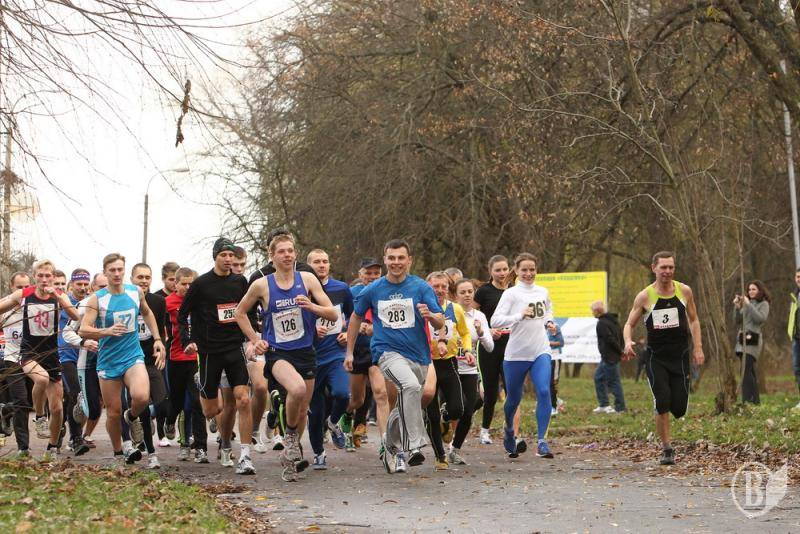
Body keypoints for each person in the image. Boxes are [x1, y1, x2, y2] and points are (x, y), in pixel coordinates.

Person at [235, 233, 339, 481]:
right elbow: (240, 313)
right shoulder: (262, 285)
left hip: (305, 351)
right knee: (297, 388)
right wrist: (255, 339)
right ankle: (291, 439)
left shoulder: (307, 279)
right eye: (281, 251)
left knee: (302, 410)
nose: (287, 255)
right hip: (278, 353)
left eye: (290, 250)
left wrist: (312, 307)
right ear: (271, 256)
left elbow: (333, 314)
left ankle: (290, 459)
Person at [345, 239, 444, 474]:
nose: (396, 262)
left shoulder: (421, 287)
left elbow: (440, 321)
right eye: (391, 258)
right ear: (385, 259)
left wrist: (431, 316)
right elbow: (356, 317)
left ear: (409, 260)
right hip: (386, 352)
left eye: (401, 258)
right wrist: (349, 351)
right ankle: (413, 445)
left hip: (419, 355)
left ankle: (389, 445)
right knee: (409, 386)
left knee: (406, 400)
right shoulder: (374, 289)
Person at [178, 238, 256, 475]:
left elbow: (248, 311)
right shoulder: (201, 284)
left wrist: (252, 338)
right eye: (224, 255)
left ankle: (245, 455)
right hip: (209, 350)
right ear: (215, 257)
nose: (228, 259)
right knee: (212, 411)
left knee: (243, 399)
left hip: (234, 347)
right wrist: (188, 341)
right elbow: (182, 316)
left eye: (231, 255)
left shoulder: (240, 281)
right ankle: (203, 385)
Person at [79, 253, 166, 464]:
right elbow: (83, 329)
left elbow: (147, 313)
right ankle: (119, 452)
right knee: (113, 412)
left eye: (120, 269)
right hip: (108, 360)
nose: (117, 274)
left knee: (141, 397)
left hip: (132, 355)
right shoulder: (97, 299)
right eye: (112, 270)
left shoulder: (135, 292)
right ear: (105, 272)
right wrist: (106, 331)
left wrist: (157, 339)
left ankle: (132, 416)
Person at [623, 251, 705, 465]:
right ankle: (667, 448)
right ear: (654, 268)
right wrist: (627, 341)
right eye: (663, 267)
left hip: (680, 356)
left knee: (679, 408)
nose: (667, 271)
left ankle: (670, 417)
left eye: (671, 267)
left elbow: (694, 320)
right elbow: (629, 324)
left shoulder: (684, 291)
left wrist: (698, 348)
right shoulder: (644, 296)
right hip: (656, 357)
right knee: (662, 401)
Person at [0, 259, 80, 459]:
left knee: (58, 408)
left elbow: (76, 316)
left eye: (48, 275)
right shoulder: (24, 294)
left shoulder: (59, 295)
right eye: (40, 275)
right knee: (41, 379)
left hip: (51, 355)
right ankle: (39, 416)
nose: (44, 279)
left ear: (53, 277)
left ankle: (52, 448)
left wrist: (59, 298)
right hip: (29, 353)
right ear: (34, 276)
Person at [491, 253, 556, 459]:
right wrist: (519, 315)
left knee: (544, 391)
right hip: (516, 354)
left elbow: (548, 311)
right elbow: (495, 321)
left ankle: (542, 442)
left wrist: (549, 322)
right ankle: (509, 429)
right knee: (514, 399)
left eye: (532, 269)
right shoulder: (511, 294)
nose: (529, 273)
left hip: (540, 350)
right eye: (524, 270)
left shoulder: (543, 291)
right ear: (517, 271)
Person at [306, 249, 353, 469]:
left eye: (325, 261)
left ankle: (333, 422)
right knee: (315, 411)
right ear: (308, 266)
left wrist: (347, 333)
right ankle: (319, 453)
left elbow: (353, 316)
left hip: (336, 354)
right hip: (311, 358)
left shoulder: (341, 289)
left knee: (342, 394)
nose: (322, 265)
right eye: (317, 262)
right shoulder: (301, 290)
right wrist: (312, 332)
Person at [424, 271, 472, 470]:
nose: (440, 290)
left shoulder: (455, 309)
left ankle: (446, 416)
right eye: (435, 286)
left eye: (443, 286)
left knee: (458, 408)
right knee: (432, 415)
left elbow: (465, 332)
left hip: (449, 362)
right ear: (428, 287)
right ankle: (440, 456)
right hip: (427, 363)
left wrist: (467, 350)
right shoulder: (422, 308)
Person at [340, 258, 388, 453]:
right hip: (358, 350)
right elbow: (341, 318)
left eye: (376, 273)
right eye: (368, 273)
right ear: (360, 274)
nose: (372, 277)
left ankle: (384, 442)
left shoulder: (386, 291)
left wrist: (375, 328)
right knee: (357, 399)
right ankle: (346, 416)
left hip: (378, 350)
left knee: (380, 393)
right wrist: (354, 328)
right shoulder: (352, 293)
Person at [449, 278, 493, 465]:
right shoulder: (448, 313)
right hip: (449, 367)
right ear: (455, 295)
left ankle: (454, 449)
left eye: (470, 291)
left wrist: (481, 332)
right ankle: (441, 427)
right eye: (463, 292)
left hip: (469, 369)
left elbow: (490, 347)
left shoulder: (479, 316)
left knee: (468, 409)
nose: (467, 295)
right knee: (455, 406)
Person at [131, 263, 169, 468]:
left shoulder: (158, 302)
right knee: (143, 405)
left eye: (147, 277)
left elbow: (160, 330)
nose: (144, 281)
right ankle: (151, 452)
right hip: (130, 360)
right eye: (140, 277)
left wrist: (161, 347)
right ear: (132, 279)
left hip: (150, 359)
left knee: (162, 402)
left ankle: (138, 418)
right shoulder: (125, 300)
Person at [62, 273, 107, 448]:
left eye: (84, 284)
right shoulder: (81, 304)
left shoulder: (119, 303)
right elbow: (66, 332)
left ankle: (126, 444)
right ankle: (75, 436)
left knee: (111, 404)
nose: (105, 290)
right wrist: (82, 342)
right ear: (93, 288)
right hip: (75, 357)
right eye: (101, 287)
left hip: (107, 359)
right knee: (81, 400)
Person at [473, 255, 511, 445]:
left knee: (511, 390)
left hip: (511, 346)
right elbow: (471, 317)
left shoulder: (514, 291)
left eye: (505, 269)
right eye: (498, 270)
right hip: (489, 347)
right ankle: (484, 431)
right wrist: (488, 330)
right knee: (490, 392)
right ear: (490, 271)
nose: (502, 273)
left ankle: (511, 430)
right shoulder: (483, 292)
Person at [58, 269, 92, 456]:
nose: (83, 287)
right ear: (71, 285)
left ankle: (59, 424)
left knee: (74, 398)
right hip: (64, 355)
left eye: (86, 284)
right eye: (79, 284)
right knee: (75, 394)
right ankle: (76, 438)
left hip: (83, 355)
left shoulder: (90, 303)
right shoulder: (63, 301)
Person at [0, 272, 32, 457]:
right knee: (21, 401)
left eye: (27, 287)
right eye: (19, 287)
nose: (23, 291)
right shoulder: (5, 307)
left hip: (34, 359)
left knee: (33, 401)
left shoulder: (36, 306)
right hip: (12, 359)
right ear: (12, 288)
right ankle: (23, 447)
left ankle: (5, 409)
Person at [154, 261, 179, 446]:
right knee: (162, 394)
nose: (174, 284)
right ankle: (161, 433)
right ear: (163, 279)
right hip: (161, 349)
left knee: (175, 392)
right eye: (171, 280)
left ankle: (175, 426)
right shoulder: (157, 298)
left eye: (176, 280)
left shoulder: (184, 297)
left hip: (178, 351)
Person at [733, 280, 770, 404]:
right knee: (749, 372)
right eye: (749, 289)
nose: (751, 292)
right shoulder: (746, 304)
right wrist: (737, 307)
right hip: (742, 341)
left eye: (754, 289)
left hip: (753, 341)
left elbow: (760, 319)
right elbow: (737, 321)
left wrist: (748, 305)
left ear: (760, 290)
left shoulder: (764, 304)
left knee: (745, 371)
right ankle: (755, 401)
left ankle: (747, 401)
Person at [592, 301, 626, 414]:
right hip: (609, 357)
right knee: (598, 378)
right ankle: (604, 404)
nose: (592, 313)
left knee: (613, 382)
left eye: (592, 311)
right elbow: (621, 336)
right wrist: (621, 350)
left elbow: (610, 339)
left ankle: (620, 408)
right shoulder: (614, 321)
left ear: (597, 311)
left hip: (609, 357)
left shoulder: (601, 323)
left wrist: (621, 352)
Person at [547, 322, 564, 416]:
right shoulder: (540, 327)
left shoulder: (555, 326)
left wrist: (548, 343)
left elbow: (561, 343)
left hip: (555, 358)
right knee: (545, 383)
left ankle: (553, 407)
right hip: (545, 357)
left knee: (552, 383)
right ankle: (553, 403)